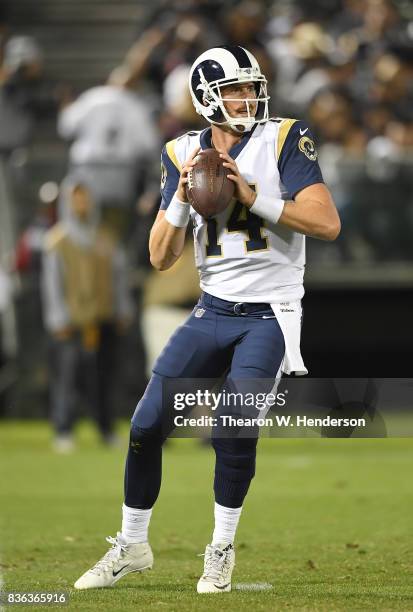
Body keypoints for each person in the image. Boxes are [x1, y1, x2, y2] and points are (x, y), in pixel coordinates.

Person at [74, 45, 340, 593]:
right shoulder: (180, 151)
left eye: (251, 87)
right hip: (211, 309)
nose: (247, 98)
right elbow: (160, 257)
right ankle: (132, 544)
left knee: (233, 429)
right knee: (147, 425)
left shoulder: (285, 137)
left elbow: (327, 222)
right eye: (235, 90)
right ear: (204, 97)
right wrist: (182, 197)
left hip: (269, 312)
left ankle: (219, 549)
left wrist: (254, 197)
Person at [41, 174, 134, 452]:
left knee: (104, 378)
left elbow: (119, 276)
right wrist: (57, 318)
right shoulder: (57, 239)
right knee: (68, 378)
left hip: (104, 318)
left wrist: (123, 308)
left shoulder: (106, 236)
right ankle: (63, 429)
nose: (82, 202)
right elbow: (52, 283)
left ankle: (105, 429)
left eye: (85, 196)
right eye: (77, 197)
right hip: (72, 322)